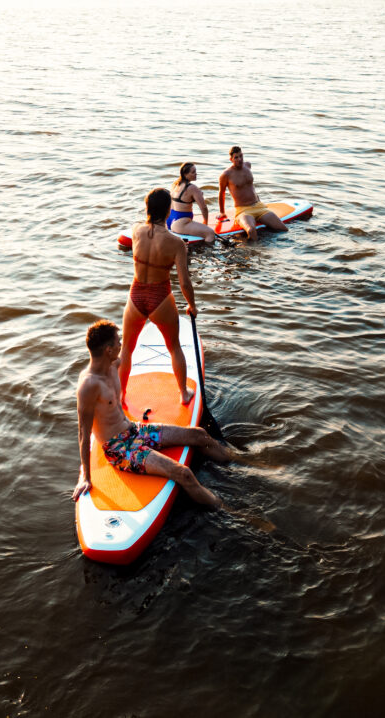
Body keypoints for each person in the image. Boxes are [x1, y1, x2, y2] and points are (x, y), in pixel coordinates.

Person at [73, 320, 229, 507]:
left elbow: (131, 341)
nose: (121, 345)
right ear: (108, 350)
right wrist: (86, 477)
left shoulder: (115, 364)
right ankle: (234, 514)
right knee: (184, 473)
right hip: (119, 449)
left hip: (134, 430)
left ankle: (238, 462)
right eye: (117, 342)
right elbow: (83, 433)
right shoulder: (88, 386)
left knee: (199, 434)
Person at [119, 188, 197, 407]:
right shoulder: (176, 243)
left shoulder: (135, 230)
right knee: (174, 347)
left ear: (147, 208)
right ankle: (183, 394)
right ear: (169, 210)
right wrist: (192, 305)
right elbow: (184, 282)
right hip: (160, 297)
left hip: (136, 295)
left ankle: (120, 396)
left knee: (126, 349)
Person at [217, 145, 288, 241]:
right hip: (243, 210)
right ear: (231, 159)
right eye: (236, 157)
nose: (240, 159)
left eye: (241, 156)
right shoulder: (226, 174)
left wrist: (259, 200)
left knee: (283, 228)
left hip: (259, 207)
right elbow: (222, 193)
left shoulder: (248, 165)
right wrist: (222, 212)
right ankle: (255, 251)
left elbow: (250, 186)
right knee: (251, 230)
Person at [167, 162, 217, 244]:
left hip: (169, 219)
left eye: (195, 171)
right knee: (210, 233)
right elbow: (204, 208)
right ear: (185, 174)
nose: (196, 174)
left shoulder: (175, 184)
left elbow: (182, 201)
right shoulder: (192, 188)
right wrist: (205, 223)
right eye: (193, 172)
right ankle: (207, 253)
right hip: (180, 223)